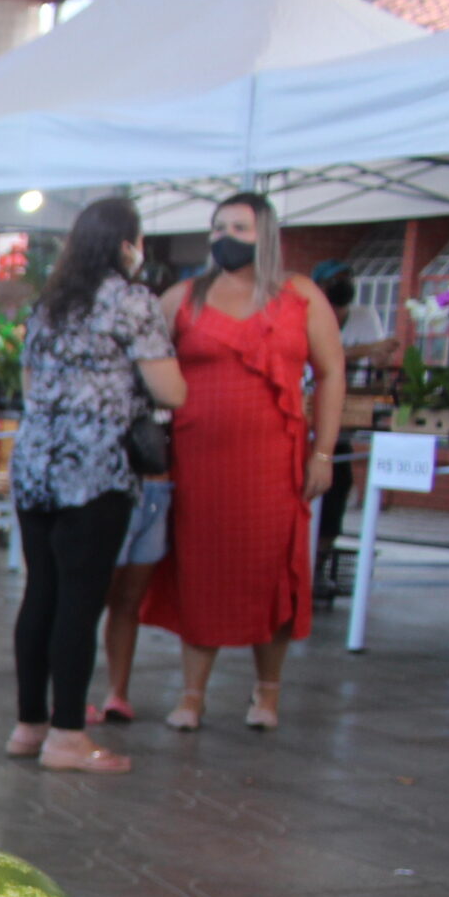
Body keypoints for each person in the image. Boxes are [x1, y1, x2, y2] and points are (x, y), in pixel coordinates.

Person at [141, 192, 345, 733]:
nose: (224, 235)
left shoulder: (300, 295)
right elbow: (141, 362)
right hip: (199, 462)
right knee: (201, 571)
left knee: (270, 570)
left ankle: (268, 692)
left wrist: (324, 451)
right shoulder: (184, 297)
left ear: (267, 234)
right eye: (217, 226)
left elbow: (331, 372)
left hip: (274, 462)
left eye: (239, 225)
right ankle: (192, 696)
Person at [5, 198, 186, 775]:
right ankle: (67, 736)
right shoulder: (132, 302)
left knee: (42, 594)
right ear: (126, 244)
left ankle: (29, 724)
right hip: (95, 469)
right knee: (79, 604)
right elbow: (171, 390)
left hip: (36, 464)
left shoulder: (51, 303)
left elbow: (32, 385)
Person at [310, 261, 397, 601]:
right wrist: (364, 350)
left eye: (347, 279)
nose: (343, 285)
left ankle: (318, 565)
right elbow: (318, 356)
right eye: (335, 280)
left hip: (346, 415)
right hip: (308, 410)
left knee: (337, 485)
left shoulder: (363, 316)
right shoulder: (310, 314)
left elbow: (377, 361)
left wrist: (382, 355)